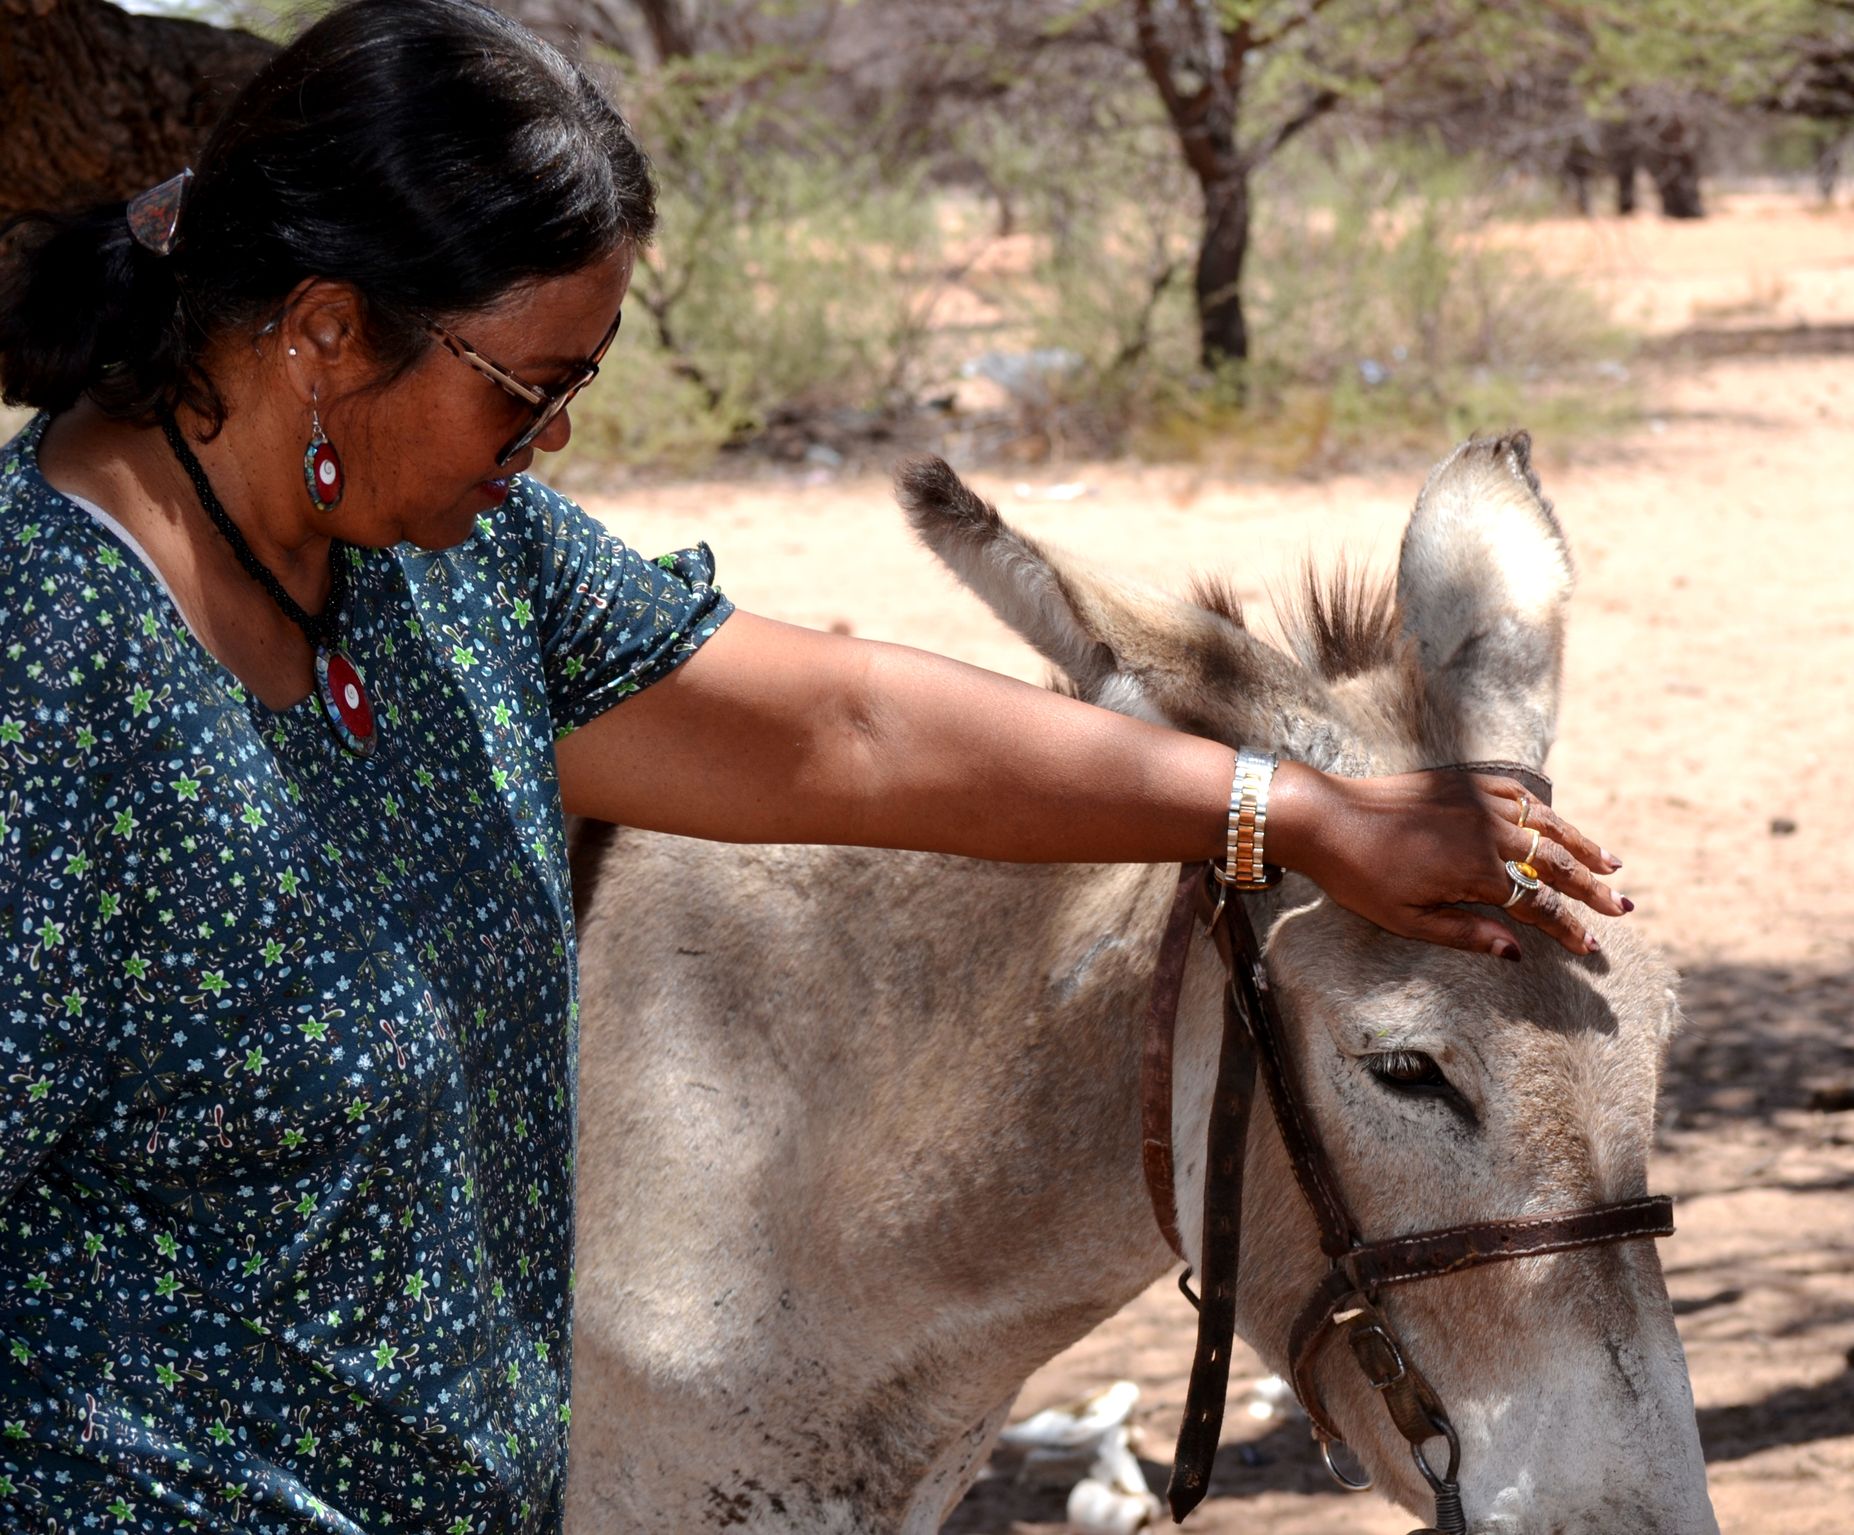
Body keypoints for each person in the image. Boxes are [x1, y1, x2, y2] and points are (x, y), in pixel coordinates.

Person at [0, 1, 1628, 1530]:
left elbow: (842, 728)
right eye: (531, 388)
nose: (554, 439)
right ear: (327, 332)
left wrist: (1299, 813)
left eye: (585, 381)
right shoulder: (45, 682)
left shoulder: (448, 567)